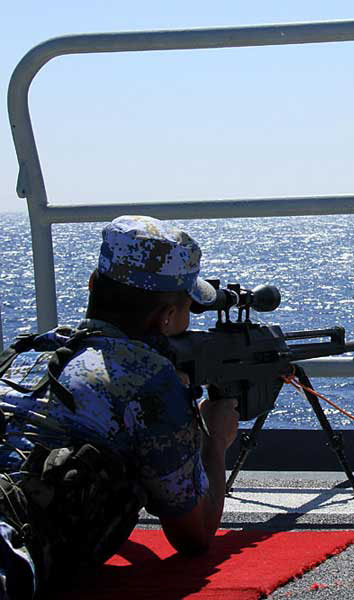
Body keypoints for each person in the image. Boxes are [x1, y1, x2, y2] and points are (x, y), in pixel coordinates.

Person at [0, 215, 239, 598]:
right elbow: (193, 535)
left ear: (93, 284)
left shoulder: (24, 352)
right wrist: (216, 440)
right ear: (166, 317)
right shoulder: (148, 376)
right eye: (186, 311)